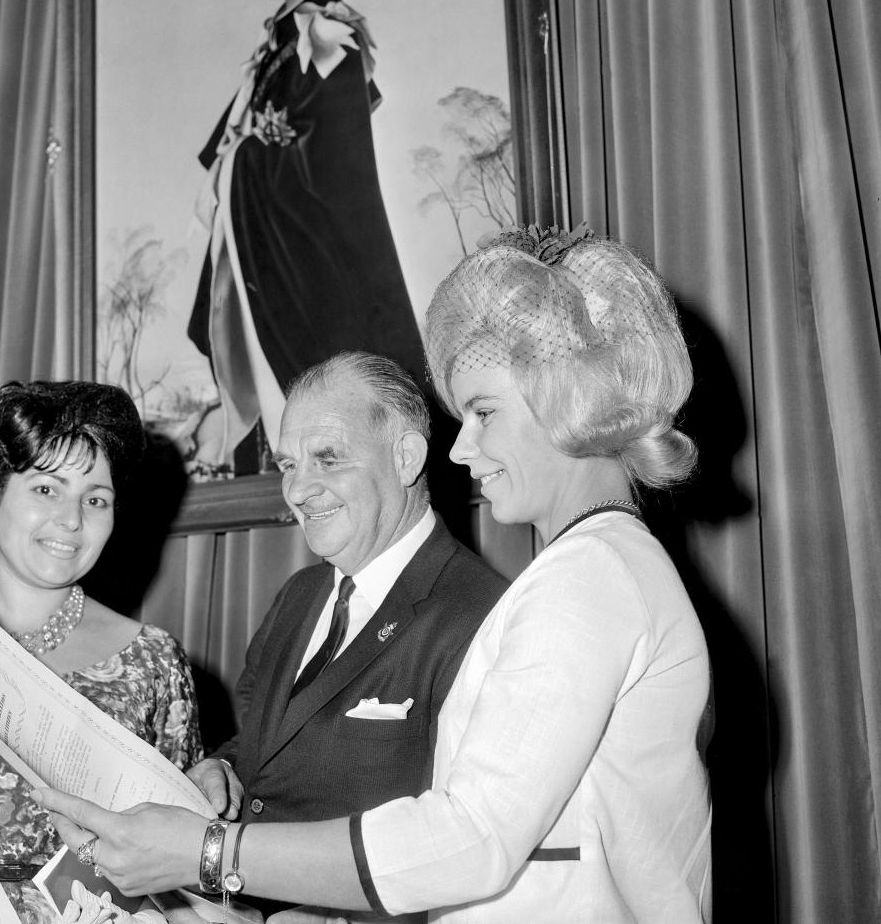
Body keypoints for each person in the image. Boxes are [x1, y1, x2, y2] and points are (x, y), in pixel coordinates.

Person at [38, 225, 713, 924]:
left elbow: (470, 837)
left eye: (483, 412)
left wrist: (208, 854)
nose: (462, 449)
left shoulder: (589, 575)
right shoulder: (598, 563)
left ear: (570, 395)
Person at [185, 351, 507, 919]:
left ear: (406, 457)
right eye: (289, 464)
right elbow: (272, 746)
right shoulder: (299, 596)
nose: (297, 490)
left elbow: (470, 844)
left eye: (327, 459)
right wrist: (225, 770)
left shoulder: (481, 613)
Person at [0, 380, 202, 924]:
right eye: (46, 489)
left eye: (95, 499)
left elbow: (185, 869)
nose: (71, 518)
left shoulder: (154, 663)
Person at [188, 0, 426, 465]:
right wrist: (245, 156)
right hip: (266, 242)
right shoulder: (277, 42)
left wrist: (252, 157)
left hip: (313, 257)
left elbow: (332, 163)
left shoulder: (327, 35)